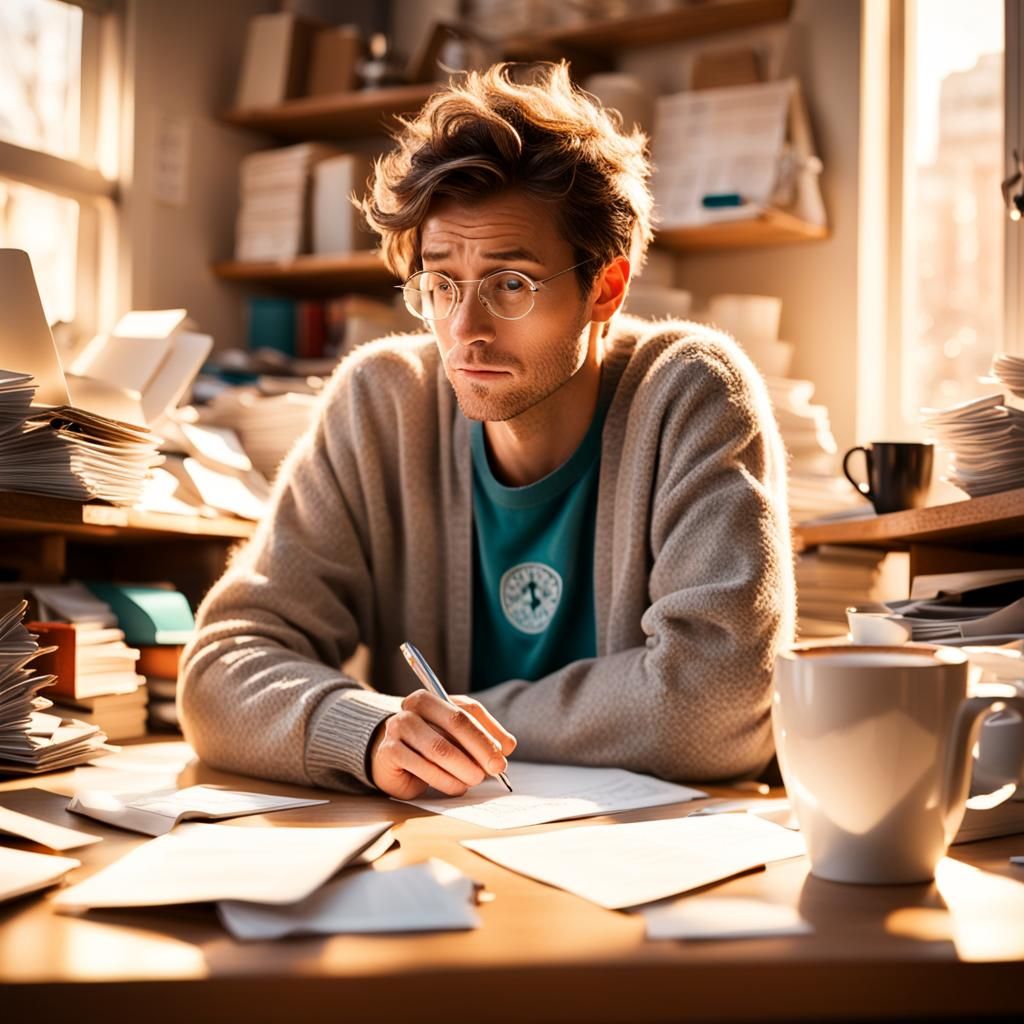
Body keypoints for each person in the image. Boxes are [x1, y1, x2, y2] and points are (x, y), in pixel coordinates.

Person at [179, 62, 794, 801]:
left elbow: (715, 707)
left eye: (511, 283)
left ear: (606, 287)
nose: (464, 332)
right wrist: (369, 732)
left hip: (655, 864)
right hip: (449, 855)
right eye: (440, 284)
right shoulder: (381, 402)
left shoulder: (690, 390)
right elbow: (220, 669)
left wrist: (463, 724)